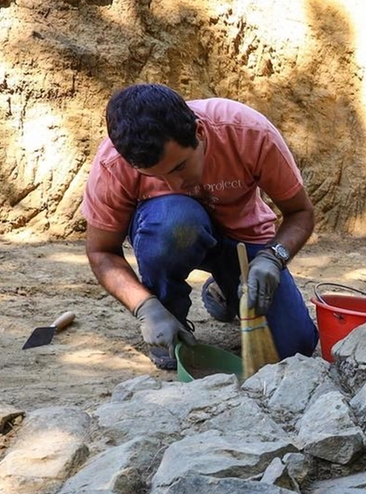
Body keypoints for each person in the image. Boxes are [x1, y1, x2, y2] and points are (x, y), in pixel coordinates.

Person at [82, 83, 319, 370]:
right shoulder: (114, 163)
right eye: (158, 178)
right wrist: (146, 307)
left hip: (242, 239)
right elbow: (101, 252)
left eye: (179, 167)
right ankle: (170, 316)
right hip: (173, 232)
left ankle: (226, 289)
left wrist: (274, 257)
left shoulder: (248, 132)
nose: (174, 185)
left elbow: (300, 213)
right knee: (175, 220)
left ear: (200, 133)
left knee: (295, 349)